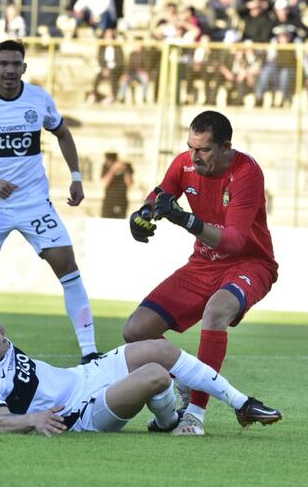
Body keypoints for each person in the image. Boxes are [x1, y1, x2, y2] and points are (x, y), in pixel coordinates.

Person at [0, 262, 282, 435]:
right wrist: (34, 419)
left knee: (156, 347)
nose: (5, 333)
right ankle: (170, 421)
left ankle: (241, 404)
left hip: (82, 377)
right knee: (156, 376)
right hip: (80, 413)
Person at [0, 40, 100, 376]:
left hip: (33, 204)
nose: (10, 70)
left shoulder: (38, 99)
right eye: (4, 64)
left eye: (16, 64)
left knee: (68, 268)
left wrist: (76, 176)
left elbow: (64, 134)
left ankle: (89, 351)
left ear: (24, 68)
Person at [124, 111, 279, 436]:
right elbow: (161, 195)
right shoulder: (184, 164)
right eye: (191, 148)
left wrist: (185, 220)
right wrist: (142, 215)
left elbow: (236, 241)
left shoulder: (246, 172)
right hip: (202, 265)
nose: (194, 157)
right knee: (136, 331)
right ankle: (184, 378)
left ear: (226, 147)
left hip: (250, 264)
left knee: (216, 311)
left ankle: (194, 417)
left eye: (203, 150)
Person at [101, 152, 133, 219]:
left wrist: (125, 170)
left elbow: (129, 183)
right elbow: (106, 182)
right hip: (108, 202)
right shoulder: (106, 167)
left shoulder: (127, 166)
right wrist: (112, 170)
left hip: (121, 201)